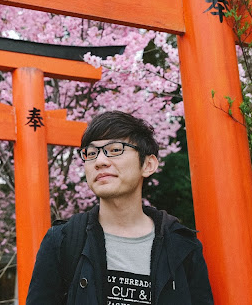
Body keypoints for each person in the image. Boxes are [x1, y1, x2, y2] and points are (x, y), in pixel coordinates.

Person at [26, 111, 214, 304]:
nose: (99, 162)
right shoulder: (62, 241)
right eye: (91, 154)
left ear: (148, 165)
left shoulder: (182, 246)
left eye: (115, 150)